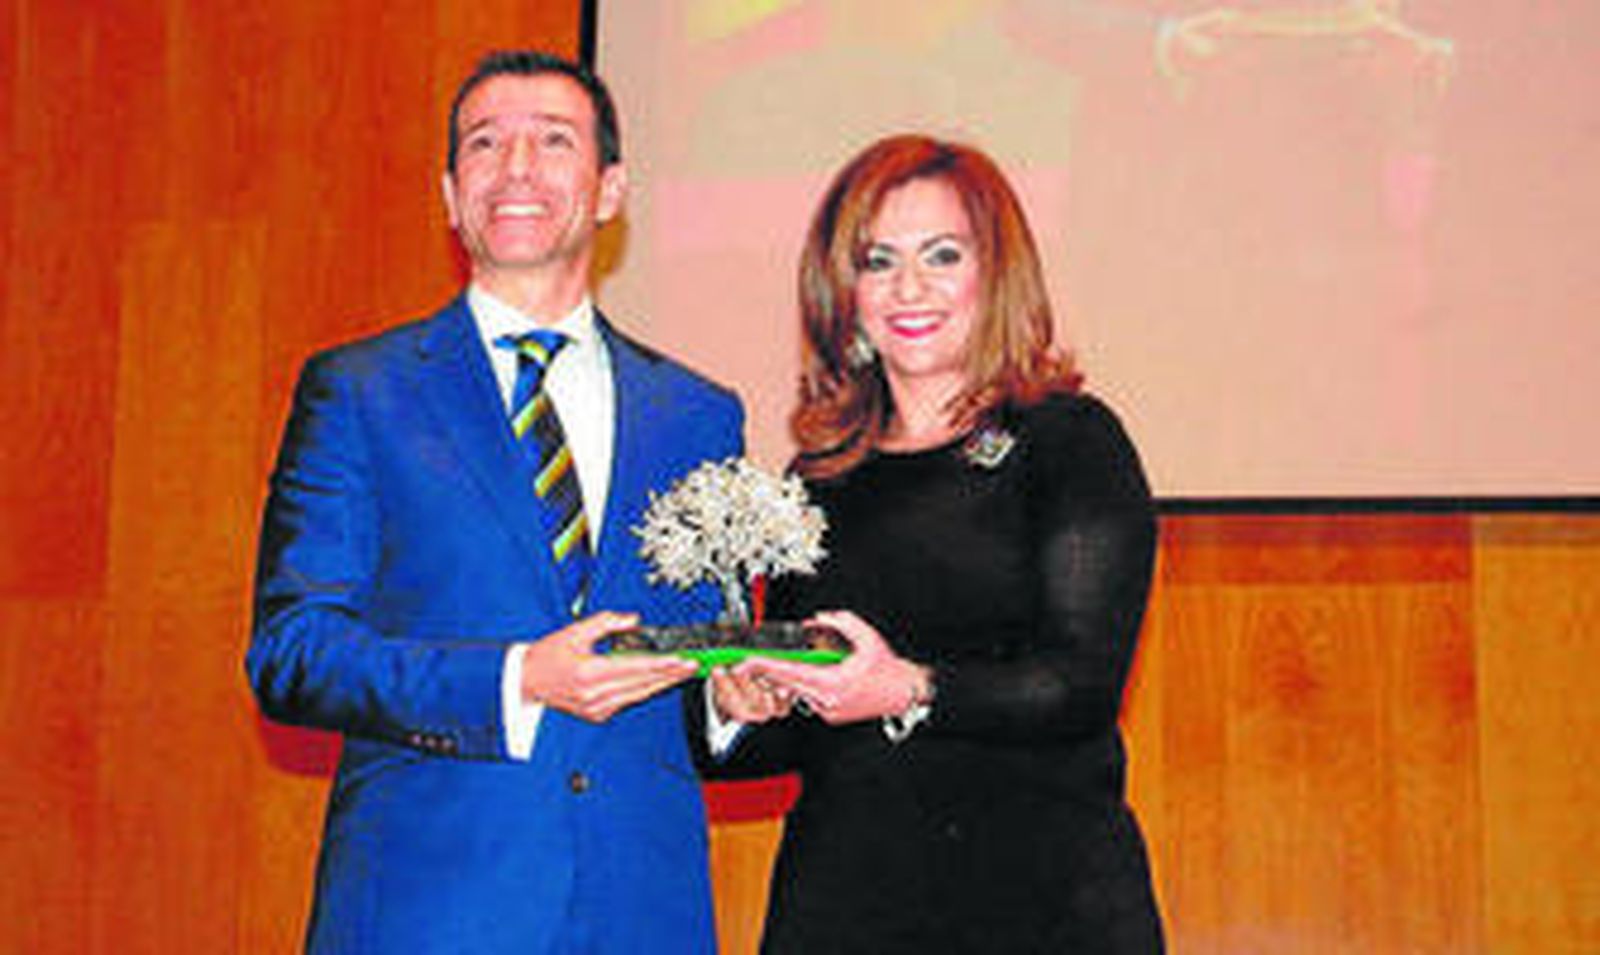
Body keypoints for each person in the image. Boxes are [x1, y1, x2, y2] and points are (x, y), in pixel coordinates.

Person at [246, 50, 741, 953]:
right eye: (484, 143)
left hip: (640, 912)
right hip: (427, 912)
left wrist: (735, 698)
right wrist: (517, 679)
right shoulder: (360, 390)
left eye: (553, 141)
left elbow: (706, 655)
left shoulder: (699, 415)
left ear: (610, 189)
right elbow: (294, 651)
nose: (516, 167)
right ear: (450, 195)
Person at [701, 134, 1165, 953]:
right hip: (845, 911)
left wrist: (906, 686)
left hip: (1042, 905)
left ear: (997, 272)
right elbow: (796, 732)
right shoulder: (817, 478)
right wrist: (735, 705)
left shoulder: (1070, 441)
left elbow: (1079, 686)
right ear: (842, 290)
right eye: (877, 261)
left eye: (942, 255)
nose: (908, 287)